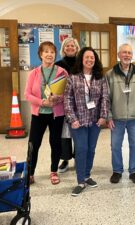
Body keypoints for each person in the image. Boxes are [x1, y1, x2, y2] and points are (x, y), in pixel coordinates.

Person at [64, 47, 109, 196]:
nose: (89, 60)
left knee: (91, 149)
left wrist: (103, 116)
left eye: (92, 58)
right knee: (81, 149)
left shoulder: (100, 78)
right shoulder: (73, 77)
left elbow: (105, 98)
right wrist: (72, 119)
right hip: (78, 121)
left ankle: (87, 175)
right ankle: (80, 181)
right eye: (86, 57)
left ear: (95, 60)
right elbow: (68, 100)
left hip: (95, 121)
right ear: (81, 59)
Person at [107, 43, 135, 184]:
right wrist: (108, 116)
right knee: (115, 146)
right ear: (119, 55)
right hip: (116, 117)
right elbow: (106, 98)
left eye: (129, 53)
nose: (127, 55)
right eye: (124, 52)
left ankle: (134, 171)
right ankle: (117, 171)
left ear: (132, 56)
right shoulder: (110, 74)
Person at [25, 41, 68, 185]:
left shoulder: (62, 72)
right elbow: (27, 94)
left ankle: (54, 171)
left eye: (52, 51)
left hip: (57, 114)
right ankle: (30, 173)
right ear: (41, 55)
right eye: (46, 51)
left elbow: (67, 93)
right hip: (39, 114)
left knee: (55, 143)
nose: (49, 54)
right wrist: (42, 102)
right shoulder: (34, 73)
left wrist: (57, 98)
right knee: (34, 143)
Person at [55, 37, 80, 173]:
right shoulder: (58, 64)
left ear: (77, 48)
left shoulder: (81, 63)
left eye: (73, 46)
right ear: (63, 49)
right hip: (63, 103)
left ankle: (78, 157)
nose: (70, 48)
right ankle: (65, 159)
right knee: (64, 133)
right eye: (67, 46)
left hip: (79, 104)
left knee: (78, 131)